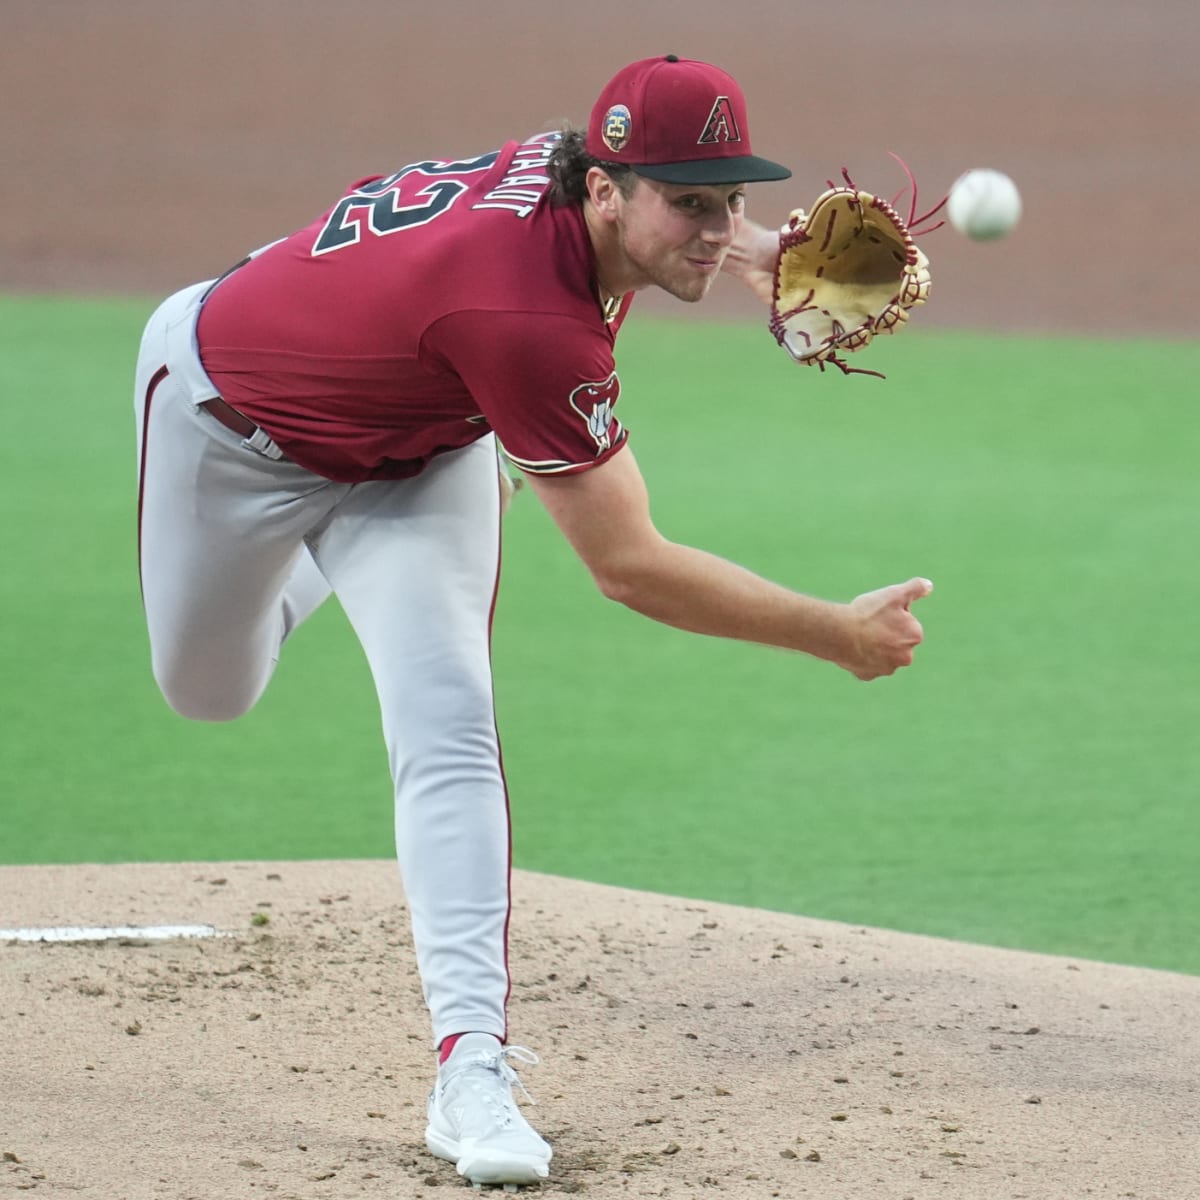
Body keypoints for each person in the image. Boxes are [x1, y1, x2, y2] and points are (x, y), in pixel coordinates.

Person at [133, 53, 932, 1189]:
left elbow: (659, 224)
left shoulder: (570, 182)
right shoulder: (526, 319)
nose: (716, 226)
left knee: (450, 723)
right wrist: (833, 634)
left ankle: (471, 1068)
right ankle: (314, 565)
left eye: (731, 200)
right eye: (687, 202)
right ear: (604, 190)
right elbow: (631, 568)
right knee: (211, 689)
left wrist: (753, 252)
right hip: (228, 425)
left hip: (422, 449)